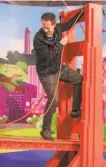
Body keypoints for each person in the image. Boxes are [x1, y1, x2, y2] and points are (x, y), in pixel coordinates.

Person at [33, 8, 85, 141]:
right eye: (43, 27)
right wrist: (61, 44)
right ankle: (45, 131)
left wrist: (81, 13)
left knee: (79, 80)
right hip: (46, 72)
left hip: (58, 68)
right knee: (54, 100)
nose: (45, 30)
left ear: (54, 24)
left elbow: (68, 25)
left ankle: (75, 110)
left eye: (47, 28)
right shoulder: (38, 38)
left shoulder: (58, 29)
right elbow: (48, 57)